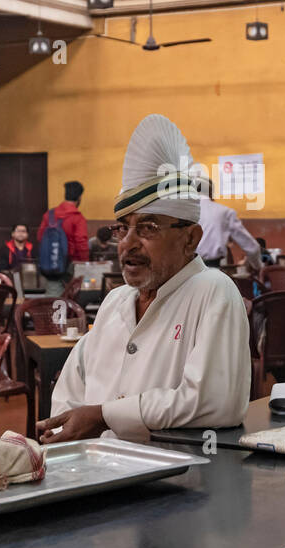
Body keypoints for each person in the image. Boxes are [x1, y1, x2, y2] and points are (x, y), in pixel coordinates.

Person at [37, 115, 250, 444]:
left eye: (148, 228)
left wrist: (105, 416)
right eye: (123, 228)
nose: (128, 243)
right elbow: (71, 389)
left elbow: (214, 402)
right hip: (93, 476)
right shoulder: (115, 301)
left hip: (171, 485)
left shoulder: (213, 292)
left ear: (190, 238)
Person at [37, 181, 89, 298]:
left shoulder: (49, 215)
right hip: (71, 263)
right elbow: (81, 243)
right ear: (80, 197)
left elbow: (40, 237)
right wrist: (84, 263)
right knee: (74, 297)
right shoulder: (77, 218)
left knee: (54, 298)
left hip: (52, 263)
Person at [196, 189, 262, 271]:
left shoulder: (183, 212)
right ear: (211, 193)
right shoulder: (224, 211)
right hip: (213, 269)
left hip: (186, 273)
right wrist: (258, 266)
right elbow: (252, 247)